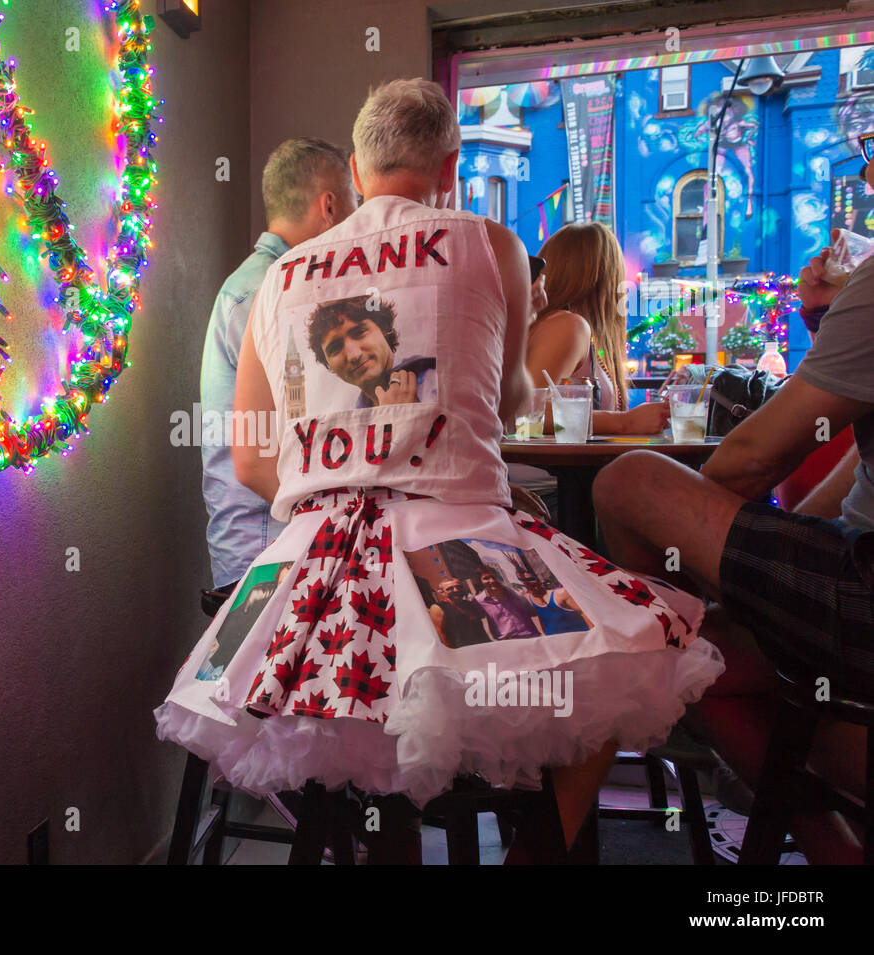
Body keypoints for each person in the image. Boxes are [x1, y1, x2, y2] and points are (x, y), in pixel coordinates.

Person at [157, 78, 723, 861]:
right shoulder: (492, 243)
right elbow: (511, 399)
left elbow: (253, 455)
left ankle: (387, 846)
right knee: (624, 656)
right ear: (450, 167)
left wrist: (342, 506)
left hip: (313, 582)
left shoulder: (282, 278)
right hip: (462, 555)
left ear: (357, 170)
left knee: (366, 726)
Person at [592, 192, 874, 860]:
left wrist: (707, 545)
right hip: (849, 580)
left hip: (862, 593)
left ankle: (654, 683)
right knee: (693, 662)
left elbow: (752, 461)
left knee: (630, 483)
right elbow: (852, 470)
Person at [200, 138, 357, 593]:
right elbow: (266, 453)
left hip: (263, 538)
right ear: (330, 206)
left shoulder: (258, 283)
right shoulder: (273, 292)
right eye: (355, 204)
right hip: (267, 546)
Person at [528, 223, 670, 434]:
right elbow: (529, 413)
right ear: (606, 276)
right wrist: (626, 422)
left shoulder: (563, 326)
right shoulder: (569, 326)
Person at [306, 294, 438, 407]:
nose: (354, 355)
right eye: (335, 348)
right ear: (328, 364)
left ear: (384, 328)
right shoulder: (356, 414)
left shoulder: (435, 380)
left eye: (359, 333)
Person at [474, 566, 542, 639]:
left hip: (530, 636)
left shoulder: (516, 592)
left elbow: (534, 611)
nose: (492, 580)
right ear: (480, 581)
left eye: (493, 577)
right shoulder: (478, 601)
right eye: (486, 578)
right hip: (508, 642)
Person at [428, 576, 494, 648]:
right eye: (450, 589)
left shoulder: (469, 604)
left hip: (484, 646)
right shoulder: (438, 608)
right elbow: (441, 634)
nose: (456, 590)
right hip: (462, 650)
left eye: (458, 587)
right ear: (442, 592)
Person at [519, 572, 591, 635]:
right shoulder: (528, 599)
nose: (528, 583)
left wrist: (595, 636)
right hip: (556, 641)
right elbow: (541, 616)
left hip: (580, 638)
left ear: (538, 579)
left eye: (530, 579)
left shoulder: (561, 594)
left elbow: (585, 612)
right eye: (523, 581)